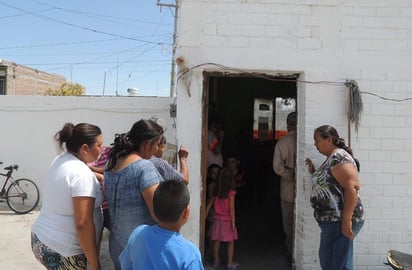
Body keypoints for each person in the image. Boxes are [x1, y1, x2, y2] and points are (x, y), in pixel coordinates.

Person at [31, 123, 104, 270]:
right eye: (99, 145)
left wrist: (96, 176)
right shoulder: (81, 174)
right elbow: (83, 224)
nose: (102, 149)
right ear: (85, 148)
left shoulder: (61, 159)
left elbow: (69, 181)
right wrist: (94, 262)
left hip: (41, 239)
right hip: (65, 252)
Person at [104, 119, 164, 270]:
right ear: (146, 144)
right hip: (140, 249)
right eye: (157, 144)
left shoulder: (111, 162)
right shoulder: (143, 168)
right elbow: (159, 214)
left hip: (117, 245)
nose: (157, 149)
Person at [305, 125, 364, 270]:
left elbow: (352, 187)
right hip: (333, 221)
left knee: (335, 263)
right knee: (334, 261)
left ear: (329, 139)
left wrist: (346, 220)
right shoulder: (332, 158)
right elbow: (331, 182)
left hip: (338, 221)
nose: (315, 144)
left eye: (317, 140)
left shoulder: (338, 157)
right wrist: (314, 172)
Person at [119, 180, 204, 270]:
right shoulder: (190, 255)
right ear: (185, 213)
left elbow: (125, 265)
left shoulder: (138, 234)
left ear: (154, 209)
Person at [272, 112, 297, 259]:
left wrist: (290, 174)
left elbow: (277, 167)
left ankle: (290, 252)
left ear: (288, 124)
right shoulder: (305, 140)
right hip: (302, 190)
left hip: (287, 189)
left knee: (288, 223)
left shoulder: (283, 142)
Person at [206, 169, 239, 270]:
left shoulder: (216, 192)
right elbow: (232, 209)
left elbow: (209, 205)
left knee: (217, 240)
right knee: (230, 242)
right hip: (227, 220)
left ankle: (216, 261)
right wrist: (233, 222)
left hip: (217, 220)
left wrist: (205, 216)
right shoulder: (231, 193)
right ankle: (229, 263)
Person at [88, 146, 112, 247]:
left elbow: (113, 166)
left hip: (109, 205)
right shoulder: (82, 157)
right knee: (95, 239)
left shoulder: (108, 151)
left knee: (117, 235)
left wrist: (94, 170)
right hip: (94, 207)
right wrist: (100, 175)